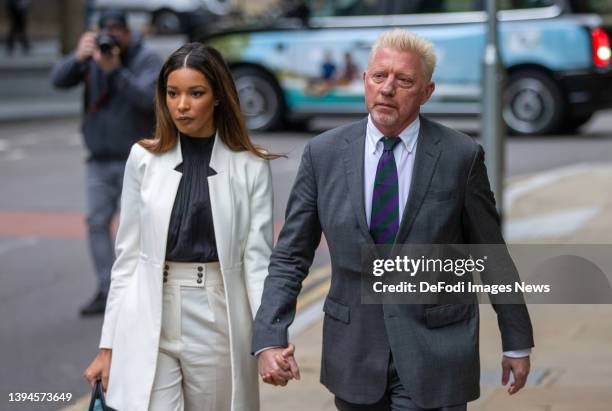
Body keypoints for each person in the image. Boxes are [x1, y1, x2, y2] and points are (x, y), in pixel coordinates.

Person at [253, 29, 534, 410]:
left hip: (436, 351)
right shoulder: (324, 154)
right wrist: (270, 336)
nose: (387, 89)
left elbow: (490, 254)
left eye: (404, 80)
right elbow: (291, 255)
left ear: (426, 92)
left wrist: (515, 339)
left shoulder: (460, 156)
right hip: (355, 354)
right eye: (379, 76)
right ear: (365, 80)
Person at [83, 42, 280, 411]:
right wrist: (107, 346)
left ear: (219, 97)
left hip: (215, 311)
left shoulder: (251, 165)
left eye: (196, 93)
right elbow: (126, 259)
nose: (182, 105)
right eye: (172, 93)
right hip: (148, 309)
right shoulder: (142, 157)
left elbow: (257, 264)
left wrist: (269, 338)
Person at [51, 9, 162, 316]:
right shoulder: (92, 56)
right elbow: (58, 81)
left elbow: (149, 100)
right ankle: (107, 289)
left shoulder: (147, 58)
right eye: (106, 32)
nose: (111, 39)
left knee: (137, 231)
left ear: (128, 32)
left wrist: (115, 71)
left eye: (117, 32)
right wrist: (77, 57)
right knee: (97, 223)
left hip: (137, 160)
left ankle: (142, 293)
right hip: (99, 160)